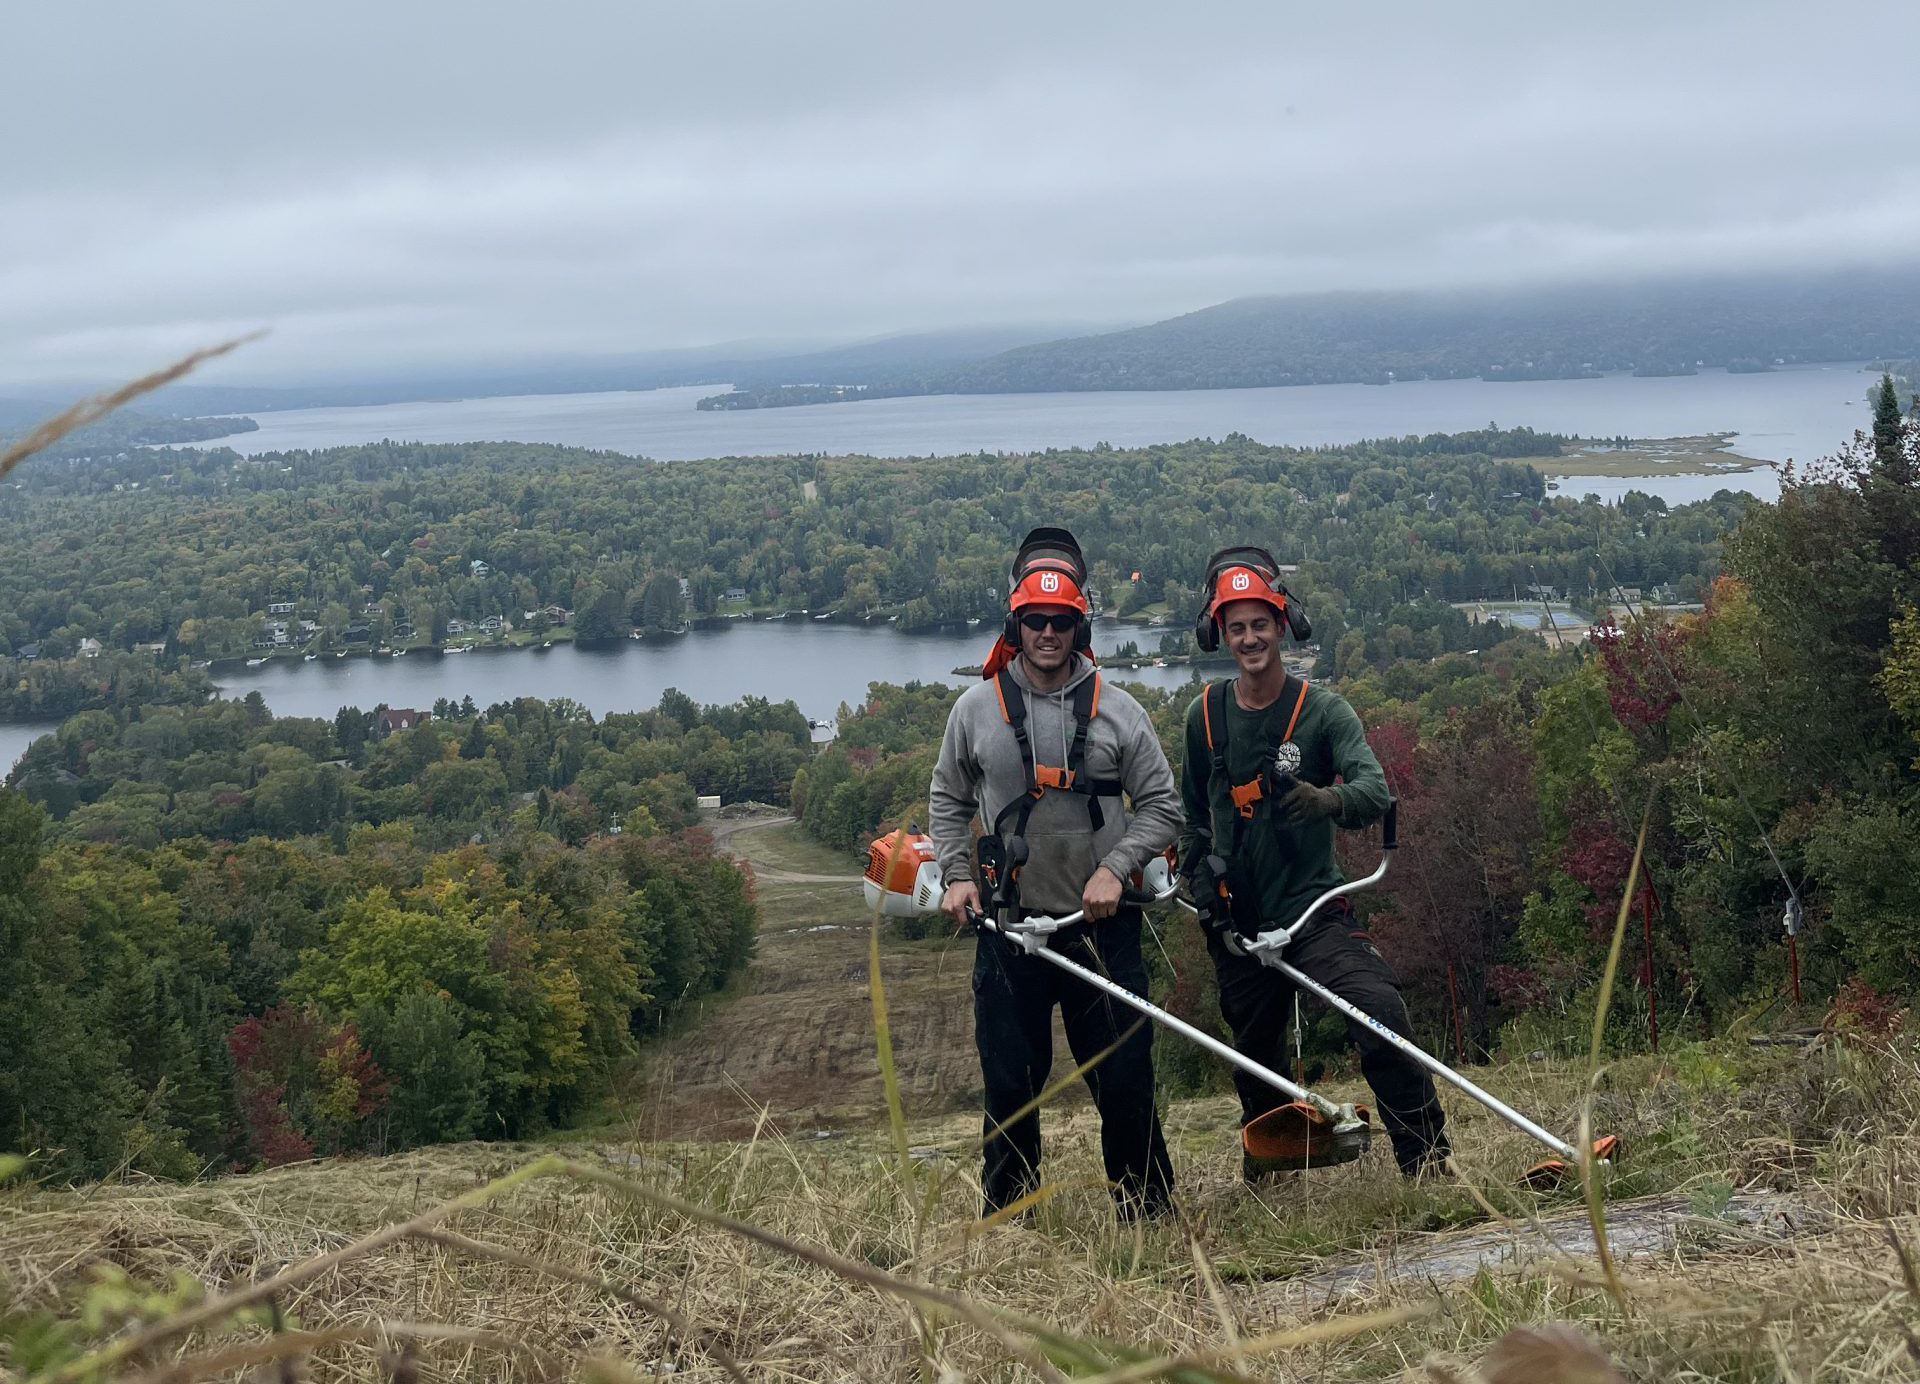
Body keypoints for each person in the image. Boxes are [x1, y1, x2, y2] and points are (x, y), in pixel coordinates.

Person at [930, 527, 1182, 1219]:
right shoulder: (974, 710)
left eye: (1062, 621)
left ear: (1079, 625)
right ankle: (1011, 1220)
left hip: (1102, 925)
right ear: (1017, 625)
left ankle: (1147, 1213)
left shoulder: (1118, 710)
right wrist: (957, 876)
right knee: (1012, 1086)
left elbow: (1163, 805)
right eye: (1035, 621)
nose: (1048, 633)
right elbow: (947, 801)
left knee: (1125, 1080)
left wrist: (1118, 867)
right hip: (1009, 930)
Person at [1177, 546, 1450, 1181]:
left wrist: (1324, 799)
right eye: (1236, 627)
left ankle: (1427, 1165)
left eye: (1260, 625)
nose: (1250, 639)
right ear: (1220, 632)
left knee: (1379, 1012)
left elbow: (1374, 792)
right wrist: (1201, 878)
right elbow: (1189, 815)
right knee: (1256, 1058)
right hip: (1238, 919)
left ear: (1283, 625)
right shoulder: (1204, 718)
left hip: (1316, 912)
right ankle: (1275, 1180)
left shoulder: (1323, 712)